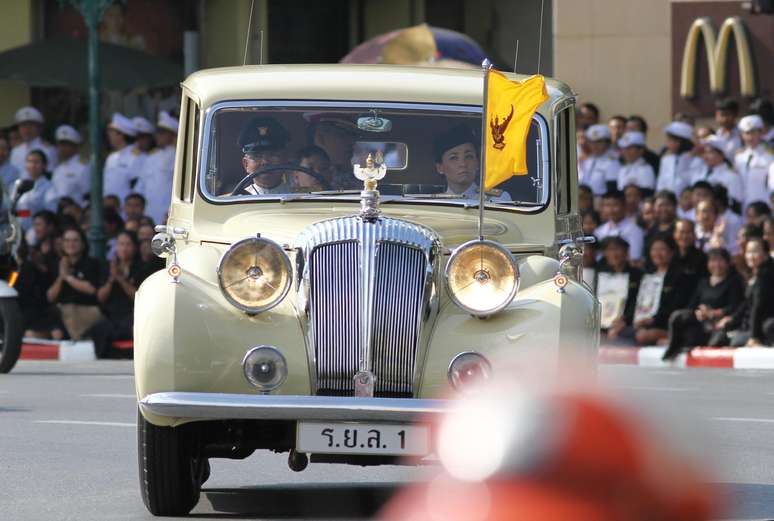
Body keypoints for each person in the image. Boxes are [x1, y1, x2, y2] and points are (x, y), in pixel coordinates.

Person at [662, 248, 744, 360]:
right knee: (678, 316)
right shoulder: (703, 282)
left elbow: (735, 306)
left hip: (720, 324)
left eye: (720, 261)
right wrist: (700, 313)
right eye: (713, 261)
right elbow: (692, 305)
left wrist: (713, 313)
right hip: (700, 322)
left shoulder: (734, 281)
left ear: (728, 263)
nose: (716, 265)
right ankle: (672, 345)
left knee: (716, 341)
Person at [91, 230, 149, 358]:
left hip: (132, 314)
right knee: (100, 328)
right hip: (112, 314)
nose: (124, 248)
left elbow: (138, 297)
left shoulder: (142, 267)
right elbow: (100, 297)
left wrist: (121, 279)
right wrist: (111, 279)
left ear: (135, 247)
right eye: (121, 244)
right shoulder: (108, 267)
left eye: (128, 244)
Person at [632, 233, 692, 345]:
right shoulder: (646, 275)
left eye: (662, 249)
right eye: (654, 249)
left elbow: (676, 306)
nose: (657, 253)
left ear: (672, 252)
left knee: (642, 336)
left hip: (663, 324)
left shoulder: (681, 277)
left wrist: (651, 320)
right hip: (641, 323)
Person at [712, 237, 774, 346]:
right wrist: (732, 319)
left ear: (766, 254)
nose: (751, 256)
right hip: (750, 324)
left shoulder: (766, 276)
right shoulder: (757, 274)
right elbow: (746, 303)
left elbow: (758, 307)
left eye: (755, 252)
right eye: (748, 252)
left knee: (732, 342)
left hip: (762, 327)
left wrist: (754, 336)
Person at [46, 227, 103, 340]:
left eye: (75, 240)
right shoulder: (55, 264)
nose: (71, 244)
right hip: (60, 312)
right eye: (67, 241)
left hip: (84, 310)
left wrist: (68, 277)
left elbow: (91, 290)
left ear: (83, 244)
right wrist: (61, 277)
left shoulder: (91, 263)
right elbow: (50, 297)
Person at [433, 124, 511, 201]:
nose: (463, 164)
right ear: (440, 168)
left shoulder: (497, 199)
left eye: (469, 156)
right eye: (453, 158)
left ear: (477, 163)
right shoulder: (434, 203)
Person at [596, 236, 643, 344]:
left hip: (626, 323)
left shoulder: (637, 275)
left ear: (626, 252)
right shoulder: (599, 274)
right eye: (610, 250)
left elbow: (637, 301)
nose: (614, 254)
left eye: (617, 249)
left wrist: (625, 320)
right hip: (601, 322)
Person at [137, 111, 178, 225]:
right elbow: (141, 184)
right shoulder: (151, 157)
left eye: (162, 133)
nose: (158, 136)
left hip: (167, 210)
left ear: (172, 135)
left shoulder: (177, 156)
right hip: (148, 210)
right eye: (158, 133)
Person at [235, 116, 292, 195]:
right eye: (257, 156)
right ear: (246, 164)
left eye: (272, 154)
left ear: (285, 160)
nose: (265, 162)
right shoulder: (233, 200)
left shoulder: (303, 196)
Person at [692, 135, 743, 214]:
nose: (706, 156)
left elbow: (736, 204)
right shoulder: (699, 173)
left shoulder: (731, 177)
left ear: (722, 154)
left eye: (710, 152)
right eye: (704, 152)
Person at [308, 114, 360, 190]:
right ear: (320, 138)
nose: (352, 142)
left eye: (353, 136)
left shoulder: (353, 176)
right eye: (342, 135)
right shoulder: (303, 173)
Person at [734, 115, 773, 210]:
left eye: (753, 133)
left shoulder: (770, 156)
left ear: (761, 133)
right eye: (747, 133)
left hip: (764, 204)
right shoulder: (739, 156)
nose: (750, 137)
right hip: (743, 205)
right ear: (742, 135)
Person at [594, 190, 644, 262]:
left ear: (624, 206)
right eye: (607, 205)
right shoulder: (599, 231)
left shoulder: (635, 231)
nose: (611, 210)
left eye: (615, 205)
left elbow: (635, 258)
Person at [46, 125, 89, 207]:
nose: (61, 148)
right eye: (60, 145)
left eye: (66, 145)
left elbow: (87, 196)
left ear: (75, 146)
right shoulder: (58, 169)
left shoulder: (84, 167)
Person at [15, 150, 55, 234]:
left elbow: (50, 213)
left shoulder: (49, 187)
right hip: (17, 230)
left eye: (36, 162)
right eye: (29, 161)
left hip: (36, 232)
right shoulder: (19, 184)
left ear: (44, 165)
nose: (32, 165)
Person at [103, 113, 139, 202]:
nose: (110, 137)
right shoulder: (111, 158)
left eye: (112, 134)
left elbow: (136, 186)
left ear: (121, 135)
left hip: (126, 207)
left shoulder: (136, 157)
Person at [9, 106, 56, 172]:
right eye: (23, 125)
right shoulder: (16, 151)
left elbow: (50, 174)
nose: (27, 129)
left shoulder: (48, 149)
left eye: (31, 125)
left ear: (39, 128)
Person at [578, 124, 619, 197]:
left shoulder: (612, 161)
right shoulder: (589, 160)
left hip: (602, 200)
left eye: (599, 142)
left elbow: (612, 189)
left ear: (607, 142)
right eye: (591, 142)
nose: (594, 145)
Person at [657, 121, 695, 196]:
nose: (667, 144)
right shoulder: (666, 160)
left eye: (669, 140)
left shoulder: (693, 159)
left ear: (679, 142)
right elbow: (661, 182)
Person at [129, 116, 155, 190]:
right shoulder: (133, 156)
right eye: (138, 138)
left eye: (143, 138)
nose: (140, 141)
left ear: (150, 138)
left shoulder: (158, 156)